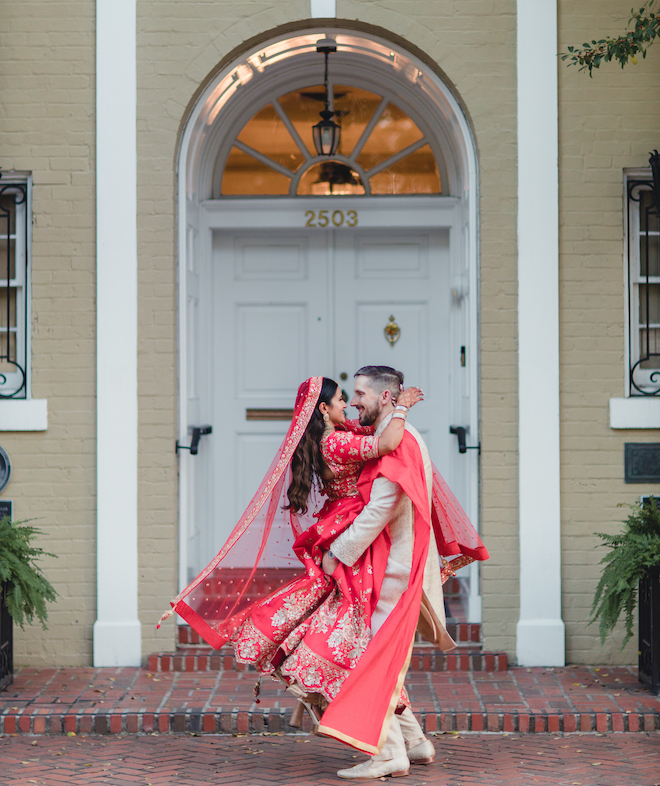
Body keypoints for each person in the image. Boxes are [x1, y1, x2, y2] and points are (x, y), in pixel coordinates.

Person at [315, 366, 489, 780]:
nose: (354, 401)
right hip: (398, 564)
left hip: (396, 567)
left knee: (373, 662)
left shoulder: (399, 442)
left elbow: (382, 508)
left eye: (359, 393)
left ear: (386, 398)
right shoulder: (396, 435)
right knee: (383, 659)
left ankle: (389, 754)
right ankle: (414, 742)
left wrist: (338, 553)